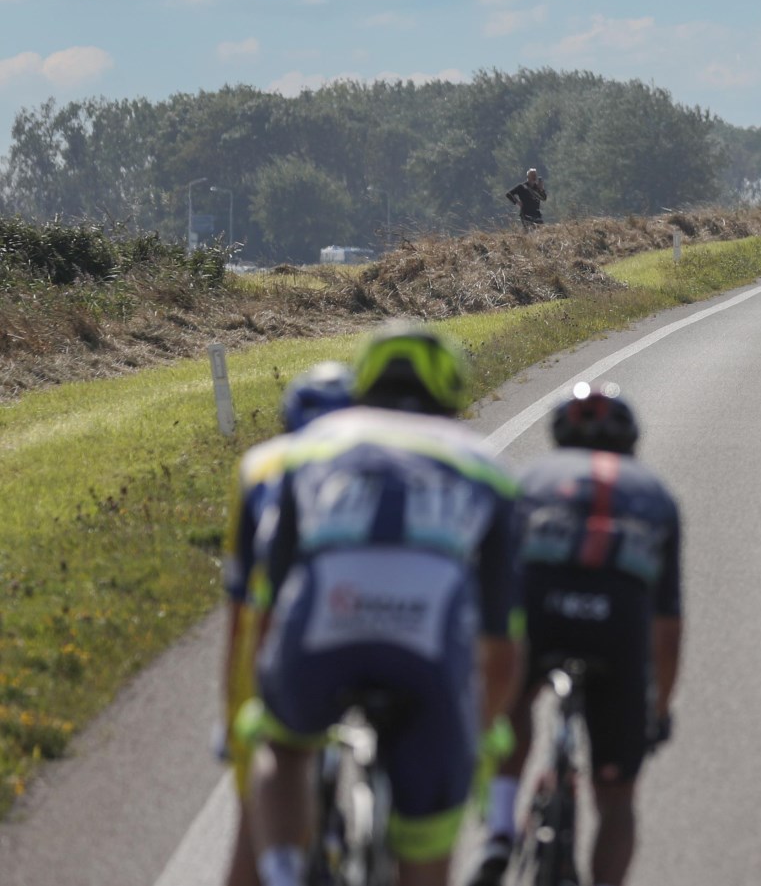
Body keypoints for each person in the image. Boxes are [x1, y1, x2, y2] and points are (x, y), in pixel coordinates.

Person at [241, 325, 520, 886]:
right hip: (427, 648)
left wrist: (265, 689)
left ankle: (280, 871)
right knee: (428, 835)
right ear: (452, 392)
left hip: (322, 629)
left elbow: (270, 598)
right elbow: (501, 640)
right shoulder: (487, 468)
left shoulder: (313, 445)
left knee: (284, 745)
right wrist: (480, 729)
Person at [472, 385, 683, 886]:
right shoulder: (656, 496)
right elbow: (667, 627)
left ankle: (499, 831)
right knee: (616, 798)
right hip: (617, 626)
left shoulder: (529, 479)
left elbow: (491, 585)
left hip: (541, 611)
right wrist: (656, 711)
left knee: (512, 708)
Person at [218, 363, 354, 886]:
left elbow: (239, 606)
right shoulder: (381, 462)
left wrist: (232, 713)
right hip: (367, 622)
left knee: (256, 814)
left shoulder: (262, 466)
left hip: (280, 631)